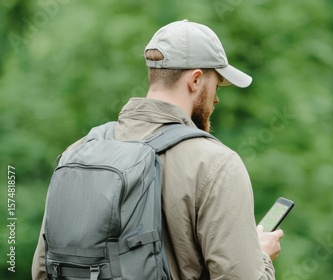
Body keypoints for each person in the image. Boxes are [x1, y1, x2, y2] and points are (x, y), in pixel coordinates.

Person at [32, 19, 285, 279]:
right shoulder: (216, 164)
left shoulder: (78, 152)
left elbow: (42, 270)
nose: (217, 98)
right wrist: (261, 258)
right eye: (216, 84)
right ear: (196, 80)